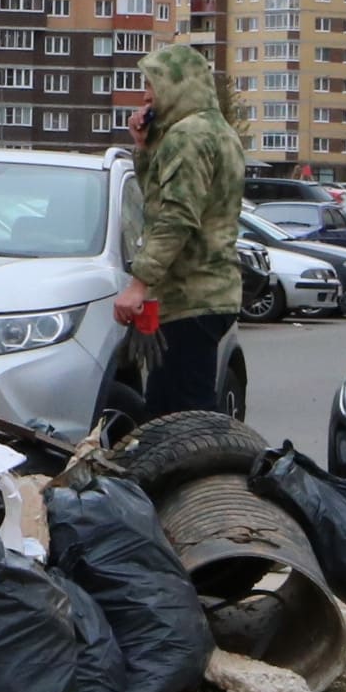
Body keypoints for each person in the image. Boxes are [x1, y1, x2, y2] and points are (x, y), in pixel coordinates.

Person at [111, 42, 248, 418]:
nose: (145, 96)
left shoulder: (187, 136)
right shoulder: (217, 131)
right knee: (170, 411)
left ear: (177, 85)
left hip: (190, 296)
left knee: (182, 418)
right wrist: (145, 148)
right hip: (207, 293)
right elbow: (162, 199)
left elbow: (175, 216)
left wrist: (138, 284)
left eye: (152, 84)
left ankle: (210, 460)